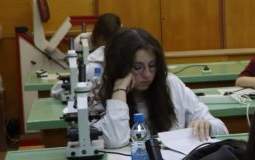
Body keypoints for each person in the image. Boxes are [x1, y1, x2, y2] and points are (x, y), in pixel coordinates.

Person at [94, 27, 226, 148]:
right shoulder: (100, 93)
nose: (147, 74)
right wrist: (120, 88)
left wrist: (208, 126)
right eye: (137, 67)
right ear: (120, 67)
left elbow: (222, 129)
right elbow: (115, 141)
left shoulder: (171, 84)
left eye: (152, 65)